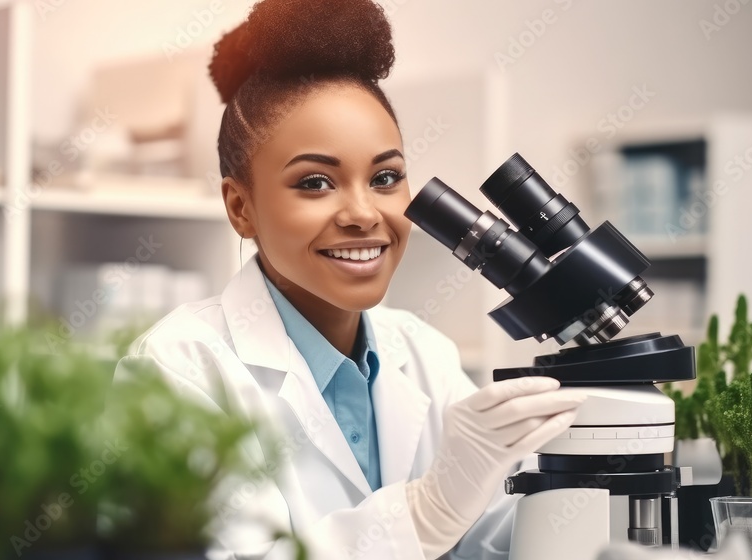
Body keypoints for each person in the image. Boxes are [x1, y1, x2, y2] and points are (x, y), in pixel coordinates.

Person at [116, 0, 585, 558]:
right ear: (241, 207)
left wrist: (578, 485)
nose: (364, 213)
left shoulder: (424, 352)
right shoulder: (179, 367)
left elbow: (489, 538)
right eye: (315, 183)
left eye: (386, 177)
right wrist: (424, 512)